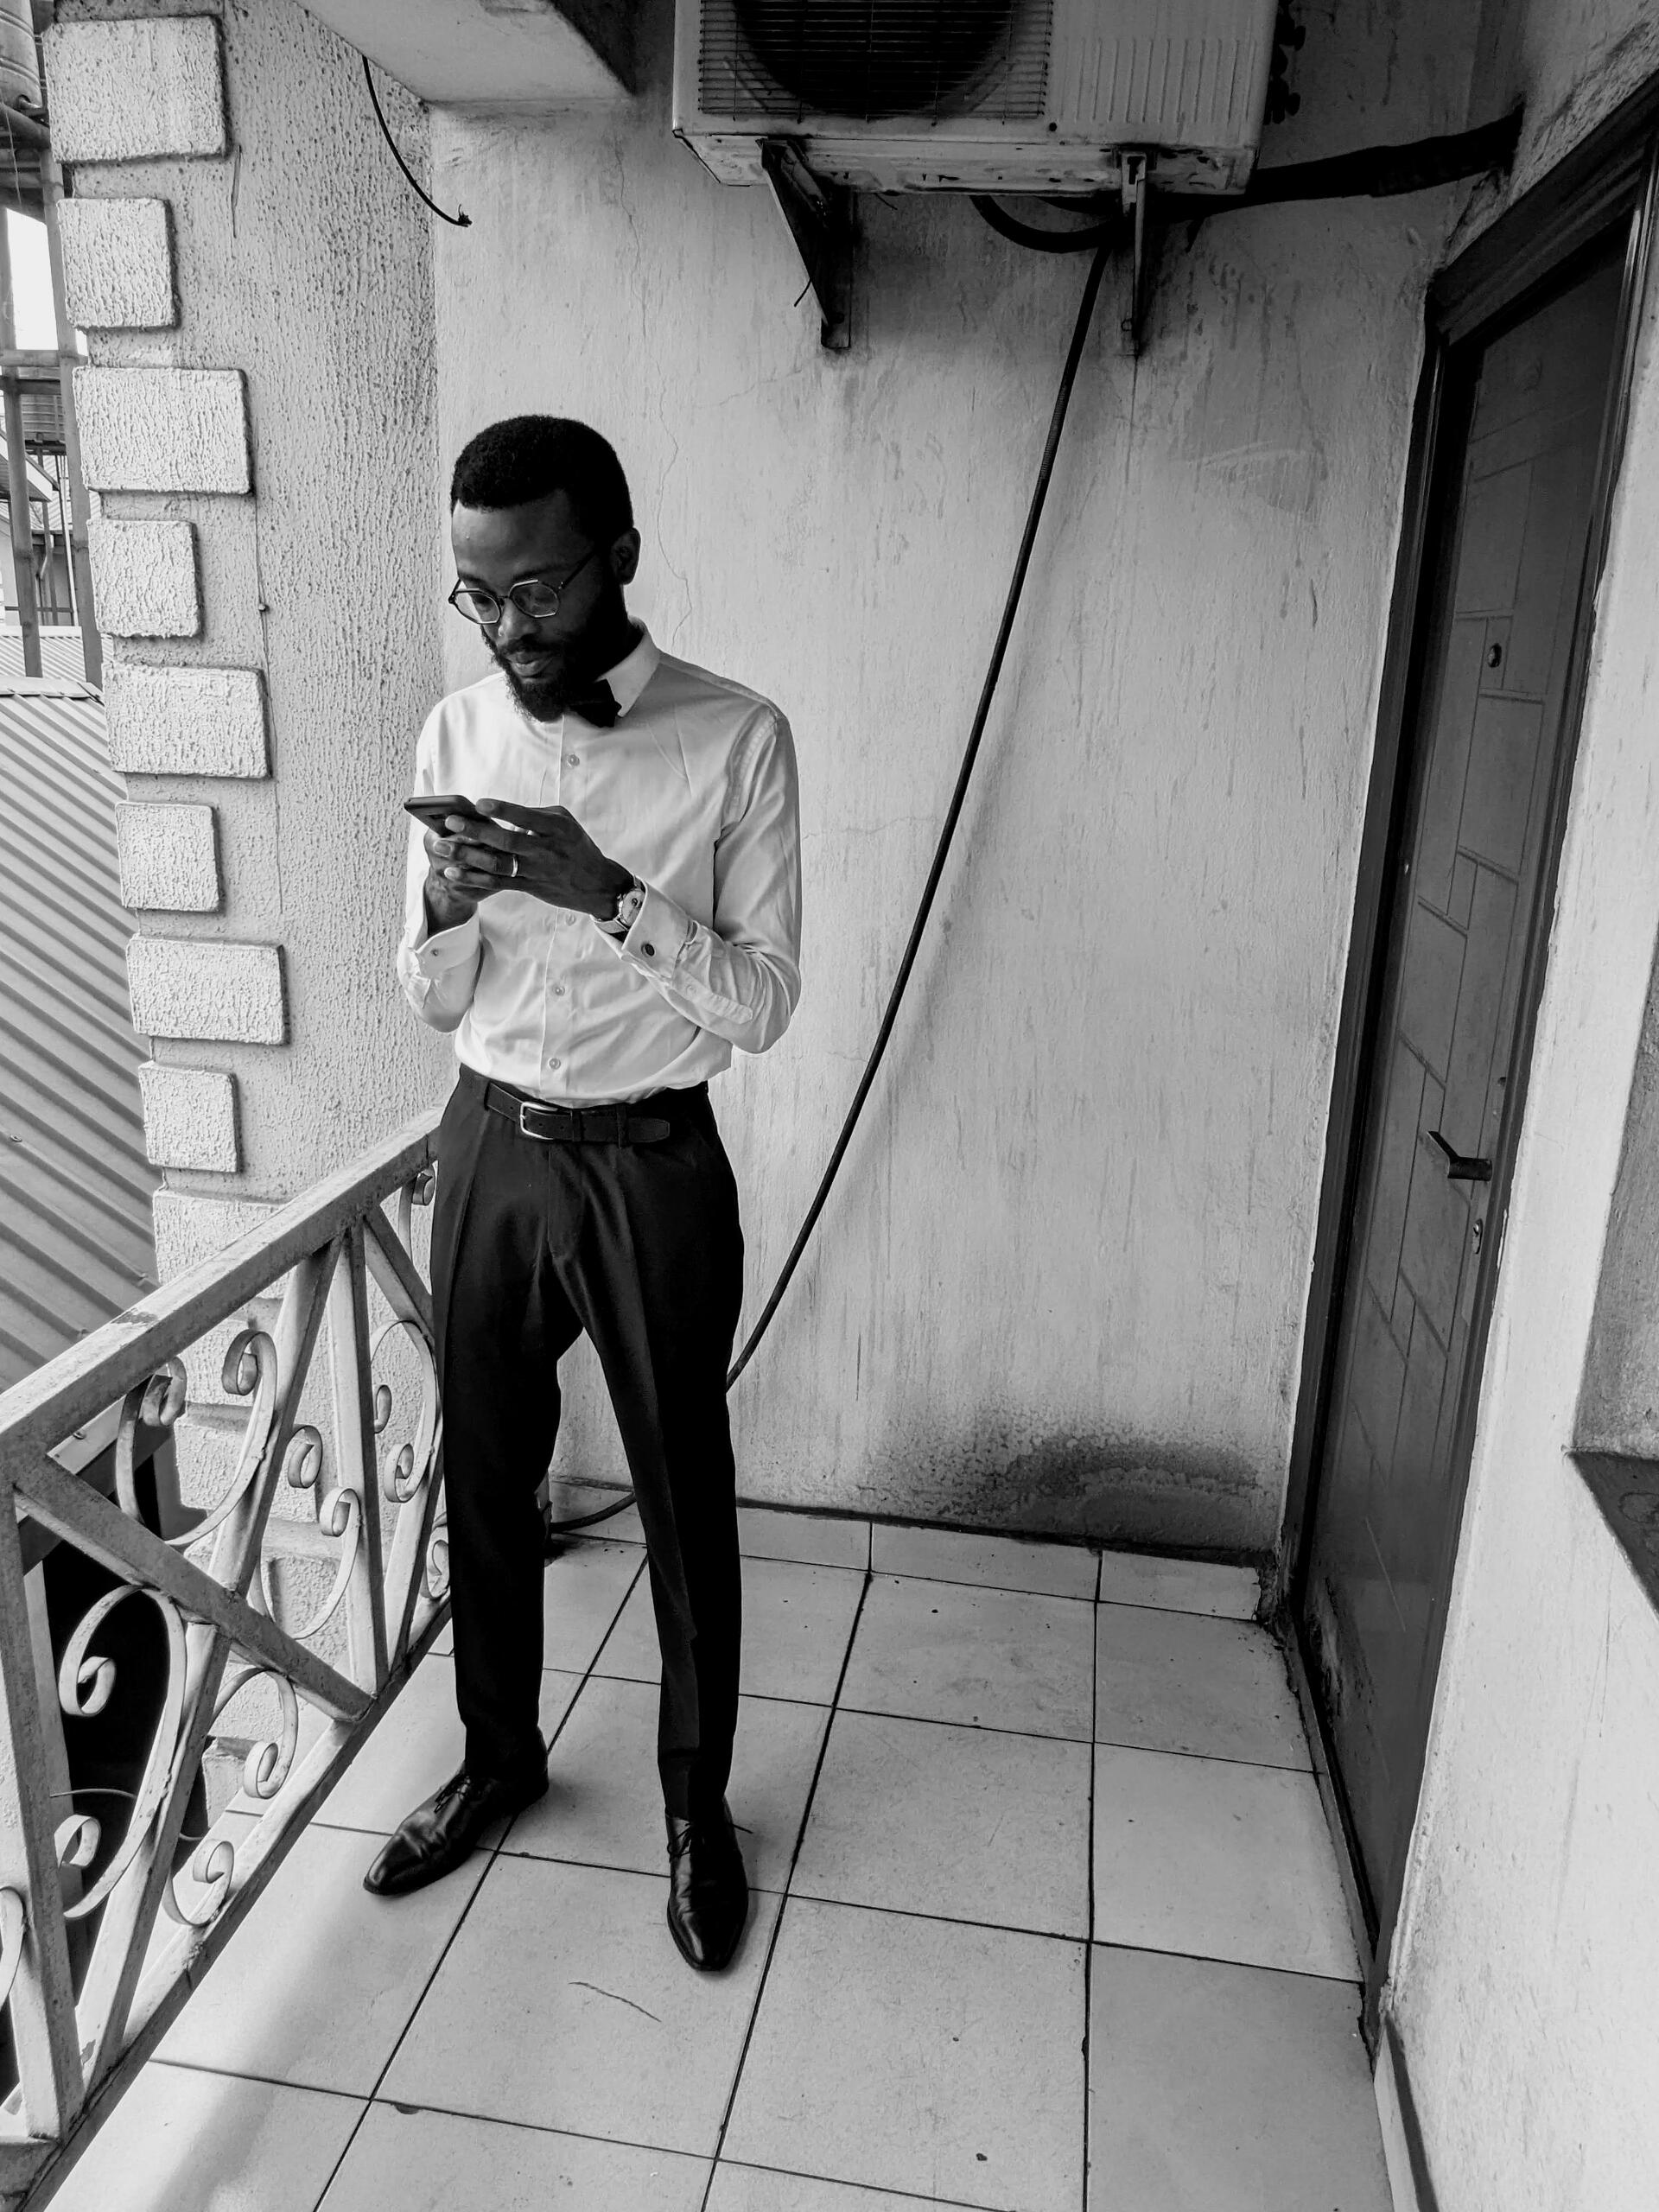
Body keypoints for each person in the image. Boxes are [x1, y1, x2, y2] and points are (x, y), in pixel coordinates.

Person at [366, 415, 802, 1974]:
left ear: (617, 554)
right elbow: (429, 994)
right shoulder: (453, 732)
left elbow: (763, 1004)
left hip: (651, 1164)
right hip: (488, 1144)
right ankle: (499, 1756)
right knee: (484, 1477)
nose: (507, 629)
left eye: (537, 590)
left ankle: (697, 1808)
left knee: (682, 1491)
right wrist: (441, 910)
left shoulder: (736, 738)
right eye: (478, 596)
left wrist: (609, 896)